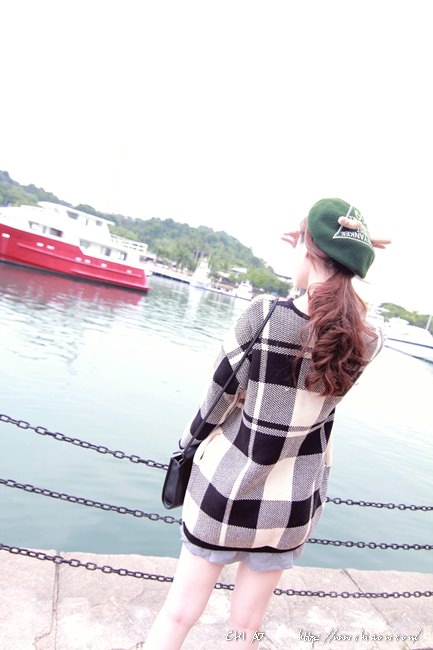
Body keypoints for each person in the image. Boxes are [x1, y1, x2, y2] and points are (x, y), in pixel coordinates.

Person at [145, 198, 390, 649]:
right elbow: (340, 312)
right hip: (291, 504)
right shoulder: (369, 340)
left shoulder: (265, 315)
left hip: (226, 491)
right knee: (247, 625)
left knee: (178, 615)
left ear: (306, 249)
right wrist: (346, 246)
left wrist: (185, 445)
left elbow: (215, 401)